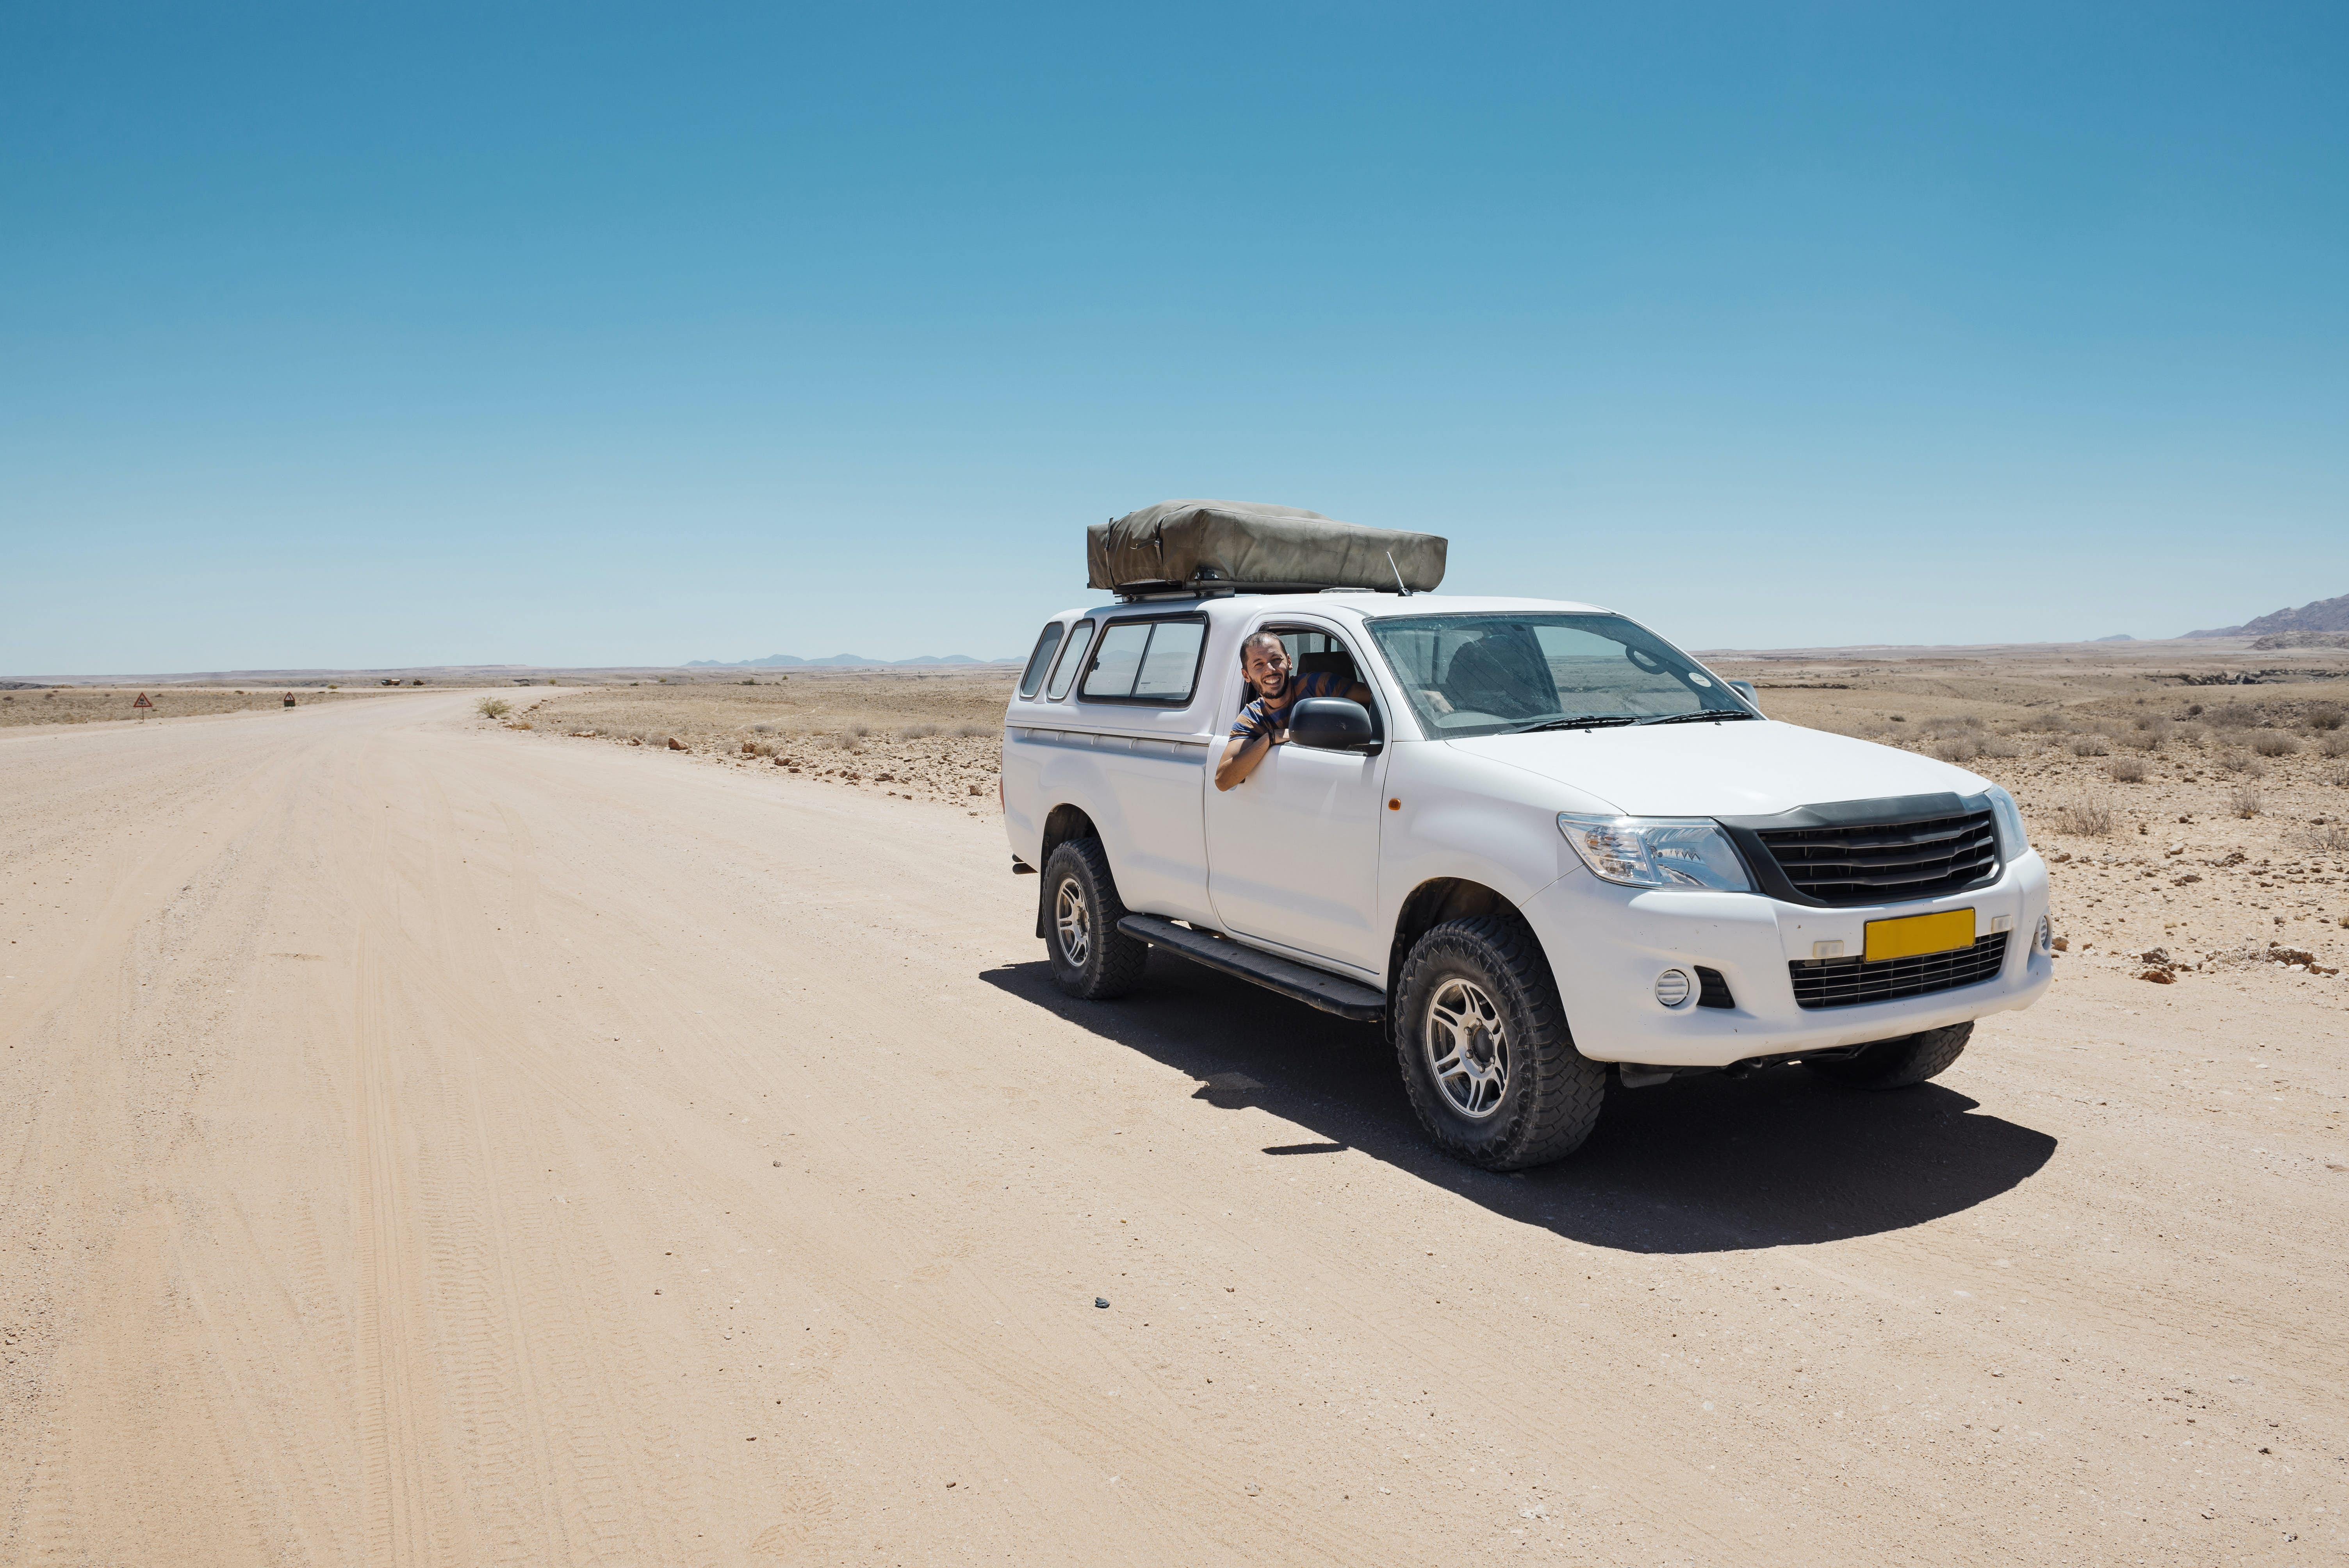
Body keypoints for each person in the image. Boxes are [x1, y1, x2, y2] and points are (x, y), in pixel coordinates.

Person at [1214, 631, 1375, 791]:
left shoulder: (1318, 687)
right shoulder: (1252, 719)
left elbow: (1378, 701)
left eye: (1276, 660)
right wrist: (1270, 738)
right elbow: (1223, 780)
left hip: (1348, 783)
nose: (1270, 670)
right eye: (1259, 665)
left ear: (1289, 661)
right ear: (1246, 675)